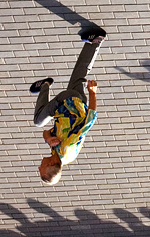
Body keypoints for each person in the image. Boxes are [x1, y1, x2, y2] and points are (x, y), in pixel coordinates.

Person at [30, 28, 105, 184]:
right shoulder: (67, 149)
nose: (38, 167)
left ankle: (96, 41)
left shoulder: (56, 153)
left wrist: (48, 138)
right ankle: (45, 85)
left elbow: (47, 132)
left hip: (77, 105)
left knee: (79, 75)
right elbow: (89, 123)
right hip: (67, 103)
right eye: (41, 168)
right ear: (50, 165)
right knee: (38, 121)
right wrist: (93, 93)